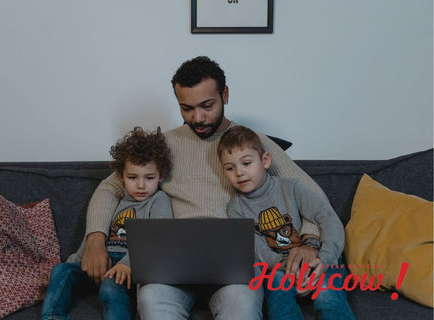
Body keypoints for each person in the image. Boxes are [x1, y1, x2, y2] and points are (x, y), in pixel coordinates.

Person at [79, 56, 328, 319]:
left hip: (236, 265)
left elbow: (313, 195)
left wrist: (310, 242)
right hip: (170, 263)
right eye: (186, 108)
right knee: (151, 301)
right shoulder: (163, 144)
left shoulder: (252, 143)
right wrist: (94, 239)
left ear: (225, 94)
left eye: (207, 105)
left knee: (241, 307)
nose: (197, 117)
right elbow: (110, 189)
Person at [218, 125, 356, 320]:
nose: (239, 172)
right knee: (278, 302)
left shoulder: (291, 188)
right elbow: (254, 246)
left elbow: (329, 218)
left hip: (318, 259)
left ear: (265, 160)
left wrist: (323, 260)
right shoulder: (236, 207)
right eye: (230, 168)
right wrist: (284, 266)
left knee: (328, 297)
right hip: (279, 267)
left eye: (246, 163)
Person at [41, 126, 173, 320]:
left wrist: (128, 264)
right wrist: (73, 263)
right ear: (120, 177)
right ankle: (52, 317)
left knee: (110, 287)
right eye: (132, 177)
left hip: (131, 266)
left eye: (150, 178)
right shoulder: (117, 199)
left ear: (160, 175)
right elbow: (93, 240)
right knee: (60, 271)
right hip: (103, 262)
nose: (141, 185)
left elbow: (158, 236)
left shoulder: (159, 200)